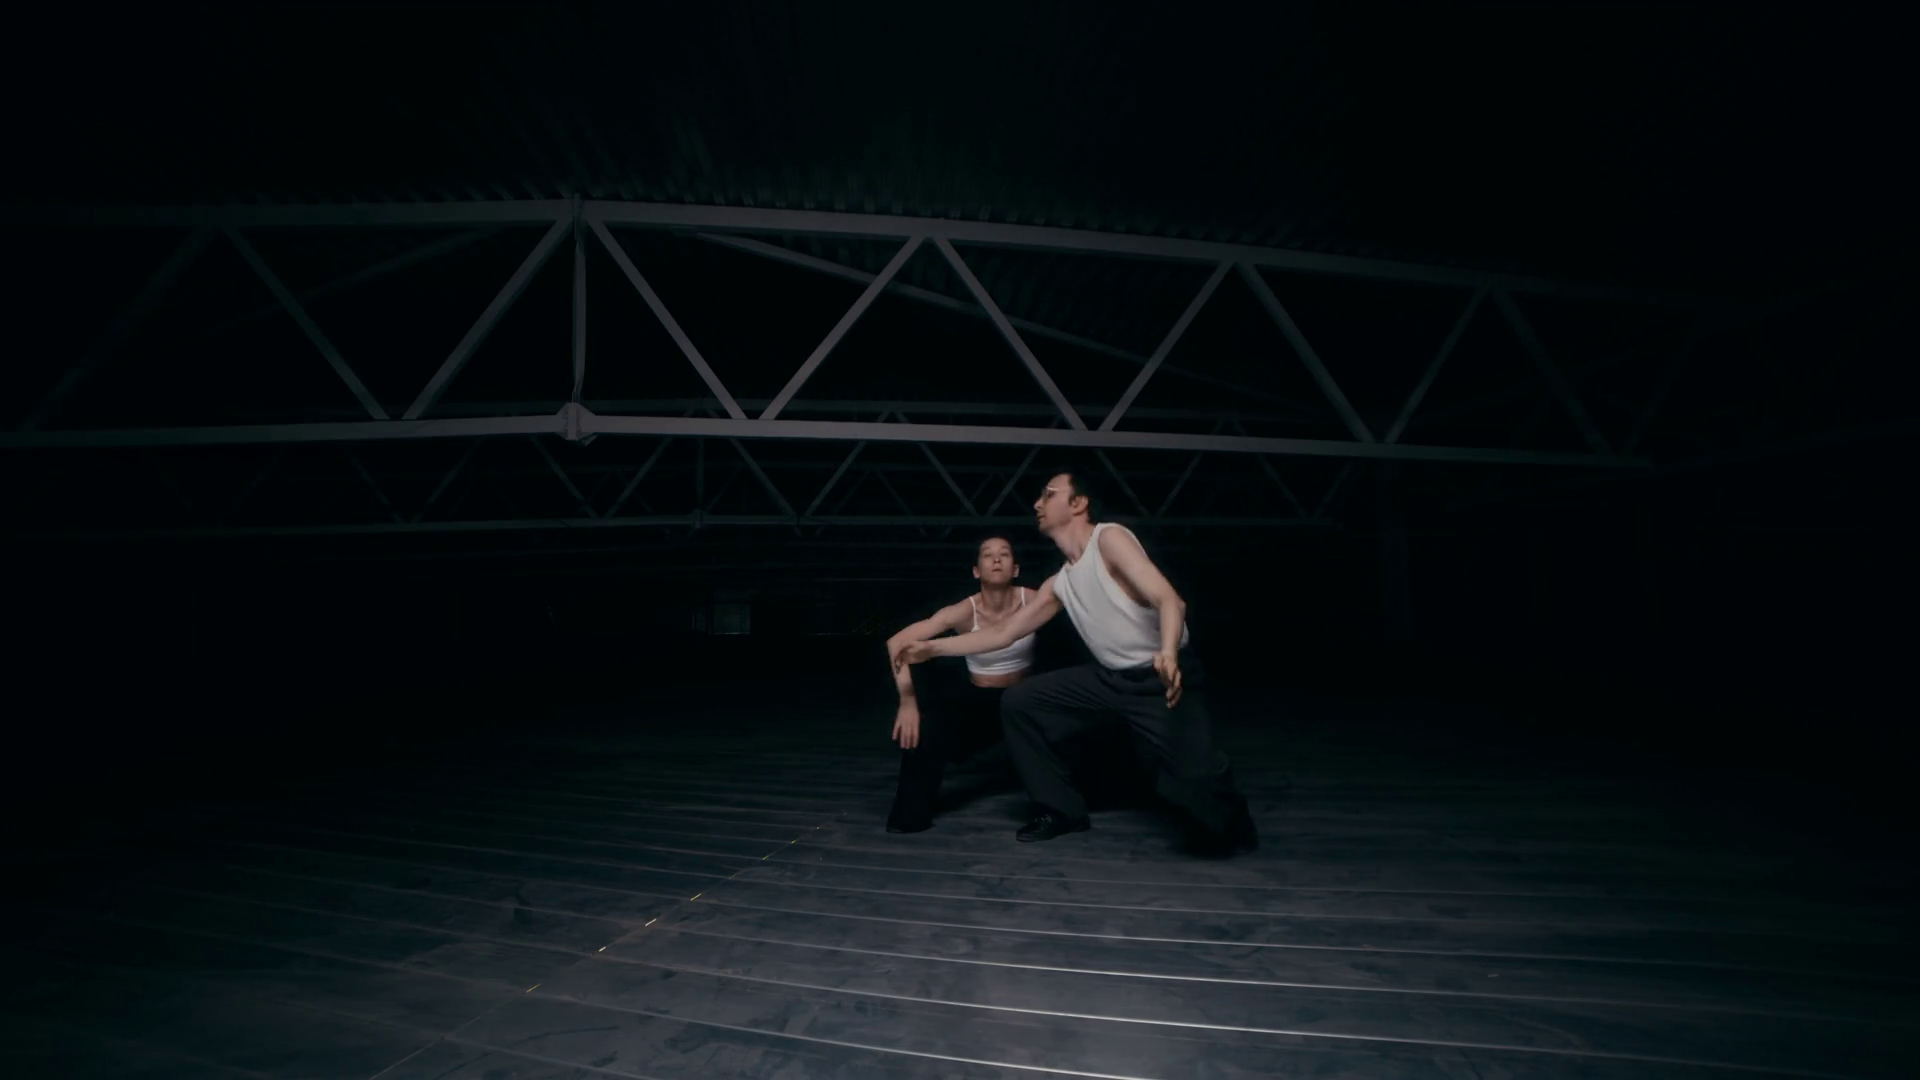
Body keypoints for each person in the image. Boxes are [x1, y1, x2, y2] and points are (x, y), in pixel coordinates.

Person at [894, 466, 1257, 854]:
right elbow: (1002, 634)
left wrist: (1168, 653)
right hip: (1109, 680)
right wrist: (934, 648)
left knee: (1198, 777)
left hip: (1162, 677)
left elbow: (1170, 600)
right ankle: (1061, 810)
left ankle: (1235, 827)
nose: (1037, 503)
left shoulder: (1109, 539)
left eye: (1048, 494)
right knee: (1021, 701)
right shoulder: (1061, 583)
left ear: (1079, 503)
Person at [882, 534, 1036, 833]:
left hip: (1025, 699)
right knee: (927, 728)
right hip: (982, 699)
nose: (996, 559)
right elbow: (896, 643)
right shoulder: (964, 611)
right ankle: (909, 818)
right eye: (988, 555)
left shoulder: (1033, 600)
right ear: (976, 571)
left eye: (1004, 554)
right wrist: (907, 701)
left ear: (1015, 569)